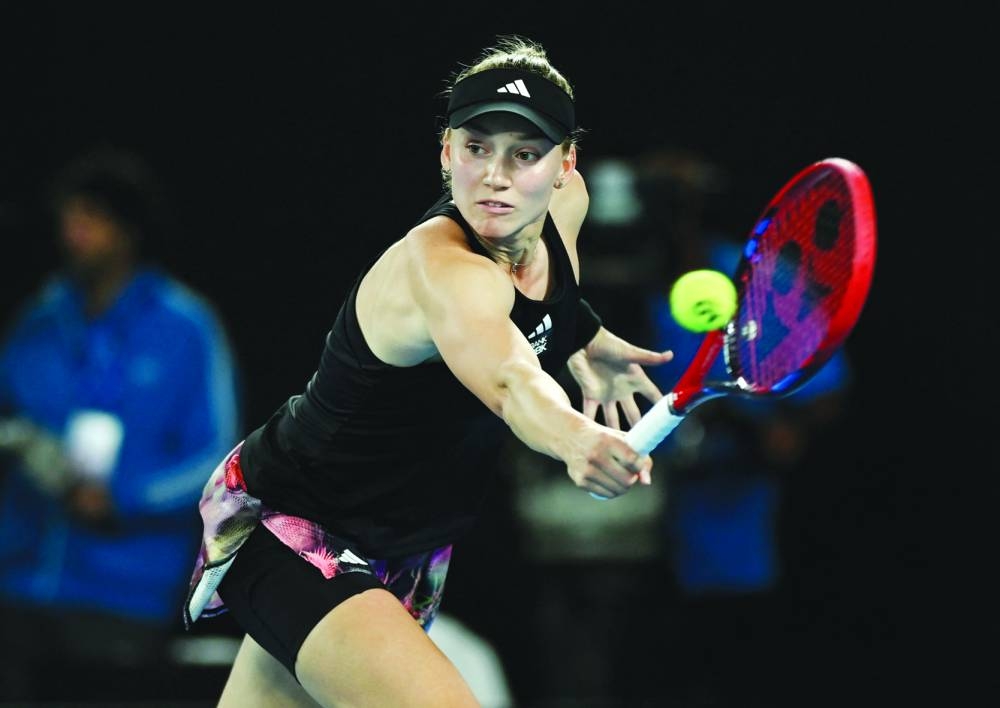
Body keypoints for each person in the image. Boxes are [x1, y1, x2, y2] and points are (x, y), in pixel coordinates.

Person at [183, 35, 673, 707]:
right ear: (447, 152)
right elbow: (508, 377)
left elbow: (540, 303)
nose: (496, 176)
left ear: (566, 166)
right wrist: (575, 438)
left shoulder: (567, 209)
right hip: (299, 535)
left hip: (403, 548)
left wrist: (583, 335)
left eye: (525, 154)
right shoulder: (442, 270)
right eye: (477, 148)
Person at [0, 147, 242, 700]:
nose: (73, 233)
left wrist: (124, 499)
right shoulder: (39, 317)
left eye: (89, 218)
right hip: (18, 582)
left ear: (127, 228)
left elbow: (218, 458)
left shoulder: (186, 326)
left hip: (121, 597)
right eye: (67, 218)